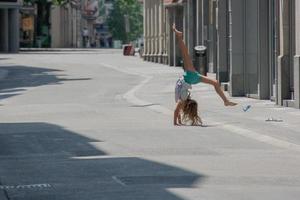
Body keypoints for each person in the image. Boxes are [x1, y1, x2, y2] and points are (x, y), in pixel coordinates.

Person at [173, 24, 237, 126]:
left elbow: (177, 110)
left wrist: (176, 122)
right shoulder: (183, 98)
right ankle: (225, 101)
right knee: (186, 55)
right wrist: (176, 122)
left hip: (191, 78)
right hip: (190, 78)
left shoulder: (183, 99)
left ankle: (226, 101)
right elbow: (176, 110)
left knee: (186, 55)